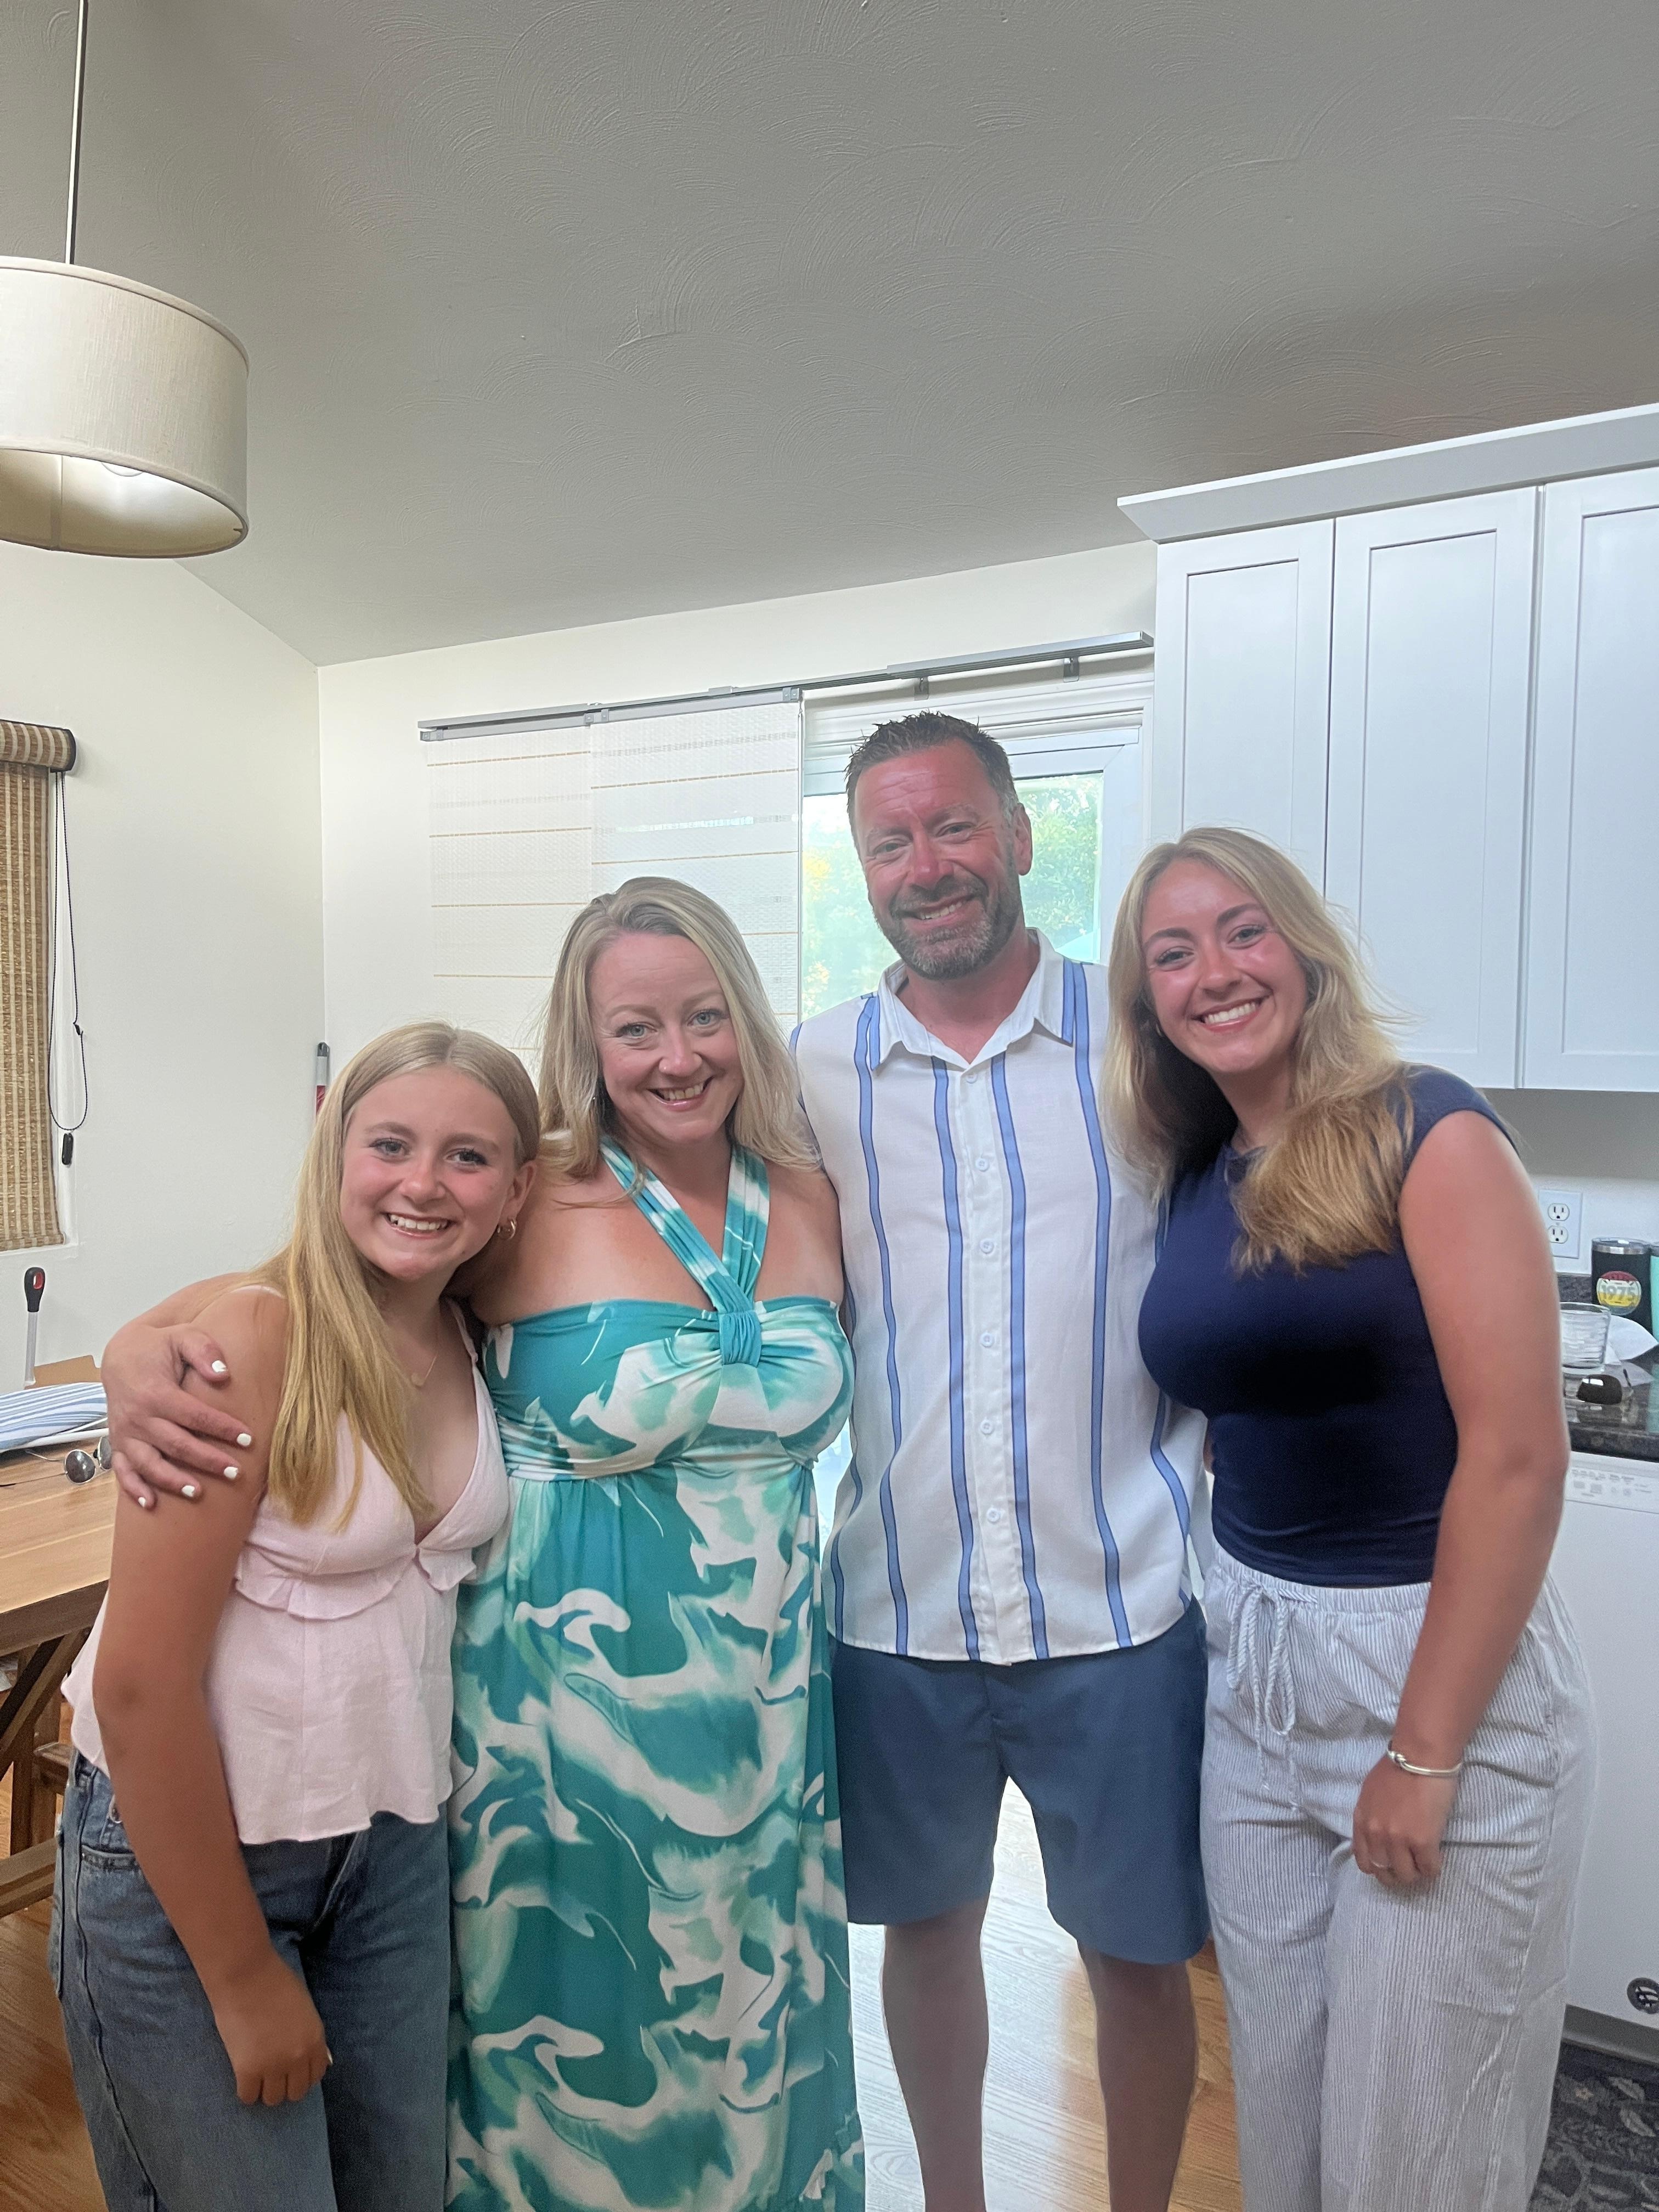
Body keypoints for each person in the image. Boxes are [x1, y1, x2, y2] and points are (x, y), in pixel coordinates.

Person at [103, 879, 863, 2212]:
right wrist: (132, 1348)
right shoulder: (532, 1199)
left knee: (748, 2045)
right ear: (590, 1041)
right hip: (555, 1730)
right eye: (635, 1028)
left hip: (767, 1721)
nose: (676, 1056)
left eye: (704, 1018)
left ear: (746, 1018)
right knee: (570, 2056)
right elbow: (312, 1282)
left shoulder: (810, 1194)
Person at [1118, 826, 1594, 2212]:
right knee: (1288, 2142)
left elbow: (1520, 1457)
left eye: (1244, 931)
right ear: (1148, 1001)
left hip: (1432, 1674)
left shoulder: (1427, 1129)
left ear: (1306, 949)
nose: (1215, 972)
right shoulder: (1198, 1171)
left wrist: (1425, 1753)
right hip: (1255, 1677)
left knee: (1415, 2161)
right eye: (1173, 953)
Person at [791, 713, 1208, 2212]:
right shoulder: (813, 1068)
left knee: (1137, 1959)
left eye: (955, 826)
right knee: (928, 1935)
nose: (927, 866)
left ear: (1023, 835)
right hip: (899, 1606)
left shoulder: (1149, 1036)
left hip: (1123, 1605)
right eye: (890, 842)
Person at [53, 1023, 538, 2212]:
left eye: (469, 1156)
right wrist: (236, 1975)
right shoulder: (257, 1338)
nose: (425, 1182)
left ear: (518, 1190)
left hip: (392, 1849)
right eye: (391, 1144)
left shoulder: (469, 1328)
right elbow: (138, 1687)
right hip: (196, 1863)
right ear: (333, 1152)